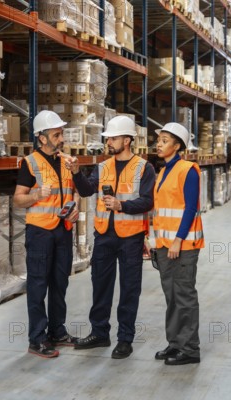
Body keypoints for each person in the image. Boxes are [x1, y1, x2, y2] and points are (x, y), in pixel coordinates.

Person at [63, 115, 156, 359]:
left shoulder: (144, 167)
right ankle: (100, 333)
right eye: (108, 138)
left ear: (127, 140)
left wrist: (121, 205)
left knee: (129, 289)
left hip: (131, 238)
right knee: (100, 286)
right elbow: (86, 190)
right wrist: (76, 173)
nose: (109, 142)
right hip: (104, 235)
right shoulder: (103, 166)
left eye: (113, 138)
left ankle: (125, 339)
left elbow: (148, 201)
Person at [13, 110, 80, 358]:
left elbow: (72, 193)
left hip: (63, 230)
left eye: (61, 133)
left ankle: (57, 331)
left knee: (60, 283)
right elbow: (18, 199)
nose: (61, 138)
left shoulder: (66, 161)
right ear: (42, 138)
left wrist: (74, 212)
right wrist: (36, 195)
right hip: (40, 232)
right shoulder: (30, 163)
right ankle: (37, 339)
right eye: (56, 134)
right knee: (39, 284)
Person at [152, 122, 204, 366]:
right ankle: (175, 343)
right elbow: (162, 211)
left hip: (182, 247)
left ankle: (190, 349)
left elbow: (190, 209)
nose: (158, 144)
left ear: (177, 145)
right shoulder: (163, 171)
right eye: (159, 140)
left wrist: (178, 240)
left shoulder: (188, 170)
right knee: (171, 296)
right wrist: (155, 242)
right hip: (164, 245)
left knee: (184, 295)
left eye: (164, 140)